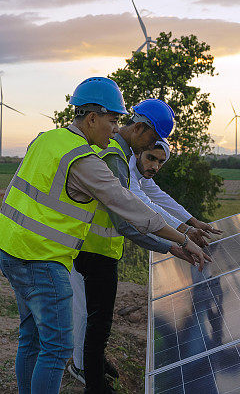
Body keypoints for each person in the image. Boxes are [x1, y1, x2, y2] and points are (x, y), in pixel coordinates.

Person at [0, 78, 210, 394]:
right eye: (113, 120)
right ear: (92, 118)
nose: (116, 128)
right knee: (57, 349)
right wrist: (181, 240)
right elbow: (129, 206)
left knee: (32, 338)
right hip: (40, 257)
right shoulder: (83, 159)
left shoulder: (45, 139)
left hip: (8, 248)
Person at [67, 99, 213, 393]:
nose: (153, 151)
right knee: (92, 318)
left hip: (101, 248)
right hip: (90, 249)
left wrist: (188, 223)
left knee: (97, 318)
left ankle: (90, 364)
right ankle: (90, 377)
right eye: (153, 141)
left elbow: (153, 198)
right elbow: (131, 215)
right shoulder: (116, 159)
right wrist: (178, 240)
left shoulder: (123, 157)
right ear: (141, 129)